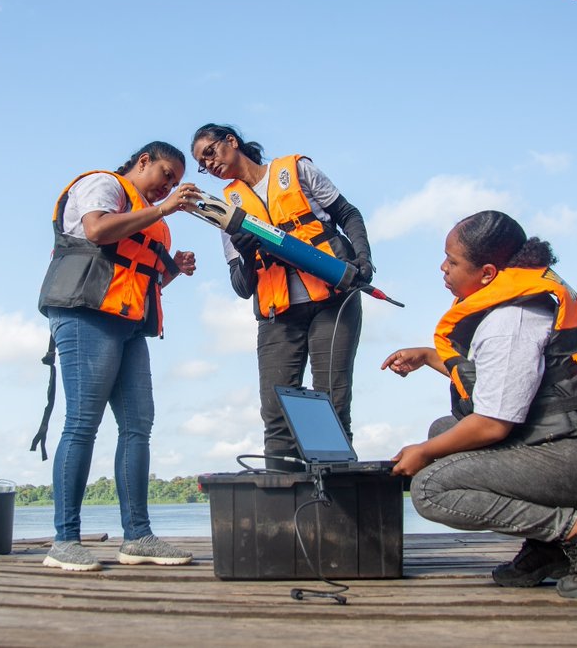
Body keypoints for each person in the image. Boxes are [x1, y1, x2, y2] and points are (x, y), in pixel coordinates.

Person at [381, 210, 577, 599]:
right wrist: (429, 356)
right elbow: (507, 386)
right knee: (442, 431)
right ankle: (547, 547)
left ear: (487, 273)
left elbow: (493, 425)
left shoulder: (511, 320)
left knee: (430, 487)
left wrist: (423, 453)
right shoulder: (516, 305)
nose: (443, 268)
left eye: (452, 261)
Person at [37, 141, 201, 571]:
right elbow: (96, 232)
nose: (169, 186)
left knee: (137, 427)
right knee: (82, 424)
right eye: (167, 174)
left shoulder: (150, 217)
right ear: (143, 161)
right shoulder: (103, 186)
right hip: (84, 316)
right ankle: (65, 541)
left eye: (176, 182)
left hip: (129, 325)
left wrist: (173, 270)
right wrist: (165, 209)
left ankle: (138, 536)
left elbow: (142, 281)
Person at [190, 124, 374, 470]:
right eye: (202, 163)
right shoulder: (226, 208)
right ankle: (282, 507)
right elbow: (242, 286)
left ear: (231, 141)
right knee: (276, 413)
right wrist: (245, 256)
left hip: (334, 301)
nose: (208, 164)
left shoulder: (296, 170)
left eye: (209, 152)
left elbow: (347, 213)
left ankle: (334, 504)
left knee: (332, 402)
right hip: (278, 315)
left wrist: (363, 258)